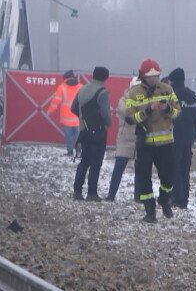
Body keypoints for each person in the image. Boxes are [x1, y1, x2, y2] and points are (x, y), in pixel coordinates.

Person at [124, 58, 180, 223]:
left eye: (156, 76)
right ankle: (149, 209)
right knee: (144, 178)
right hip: (145, 143)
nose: (153, 79)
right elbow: (129, 118)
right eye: (150, 76)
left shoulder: (167, 89)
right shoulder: (134, 93)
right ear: (142, 76)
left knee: (168, 176)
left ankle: (164, 199)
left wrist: (167, 108)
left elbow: (178, 112)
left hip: (166, 143)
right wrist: (148, 110)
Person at [70, 66, 112, 201]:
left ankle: (77, 191)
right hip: (98, 131)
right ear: (106, 78)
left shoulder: (82, 89)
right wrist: (108, 124)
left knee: (84, 161)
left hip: (83, 130)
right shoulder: (102, 92)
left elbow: (73, 107)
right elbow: (105, 113)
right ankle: (92, 193)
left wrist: (83, 119)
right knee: (96, 163)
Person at [164, 68, 196, 209]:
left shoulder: (173, 96)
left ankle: (177, 198)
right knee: (186, 168)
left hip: (174, 136)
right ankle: (184, 199)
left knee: (175, 168)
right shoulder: (193, 97)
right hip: (189, 137)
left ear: (172, 81)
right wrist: (192, 133)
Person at [106, 77, 142, 202]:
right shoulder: (123, 100)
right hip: (125, 139)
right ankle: (111, 195)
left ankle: (138, 197)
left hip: (139, 139)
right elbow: (127, 112)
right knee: (118, 169)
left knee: (140, 171)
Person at [47, 70, 82, 156]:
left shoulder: (62, 87)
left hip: (66, 118)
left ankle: (70, 152)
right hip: (78, 118)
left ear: (65, 78)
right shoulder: (81, 87)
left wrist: (49, 111)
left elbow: (55, 101)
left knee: (68, 136)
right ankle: (79, 152)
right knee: (78, 136)